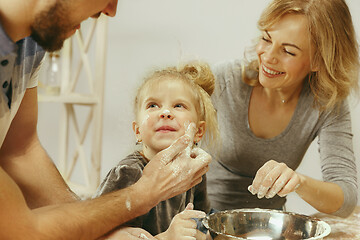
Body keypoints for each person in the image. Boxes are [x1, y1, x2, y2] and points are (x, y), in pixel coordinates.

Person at [0, 0, 212, 239]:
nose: (111, 11)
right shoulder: (129, 172)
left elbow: (20, 151)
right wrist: (143, 194)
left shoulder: (29, 44)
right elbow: (23, 229)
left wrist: (103, 230)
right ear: (137, 130)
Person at [207, 0, 358, 218]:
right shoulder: (223, 81)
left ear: (319, 61)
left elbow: (346, 198)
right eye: (266, 39)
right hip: (205, 220)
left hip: (270, 226)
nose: (268, 57)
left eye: (288, 51)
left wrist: (299, 182)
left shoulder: (325, 103)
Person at [94, 61, 219, 239]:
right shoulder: (128, 173)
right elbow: (101, 234)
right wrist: (166, 237)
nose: (165, 112)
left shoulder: (193, 171)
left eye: (178, 106)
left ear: (198, 131)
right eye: (153, 105)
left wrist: (201, 235)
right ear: (138, 131)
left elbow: (201, 221)